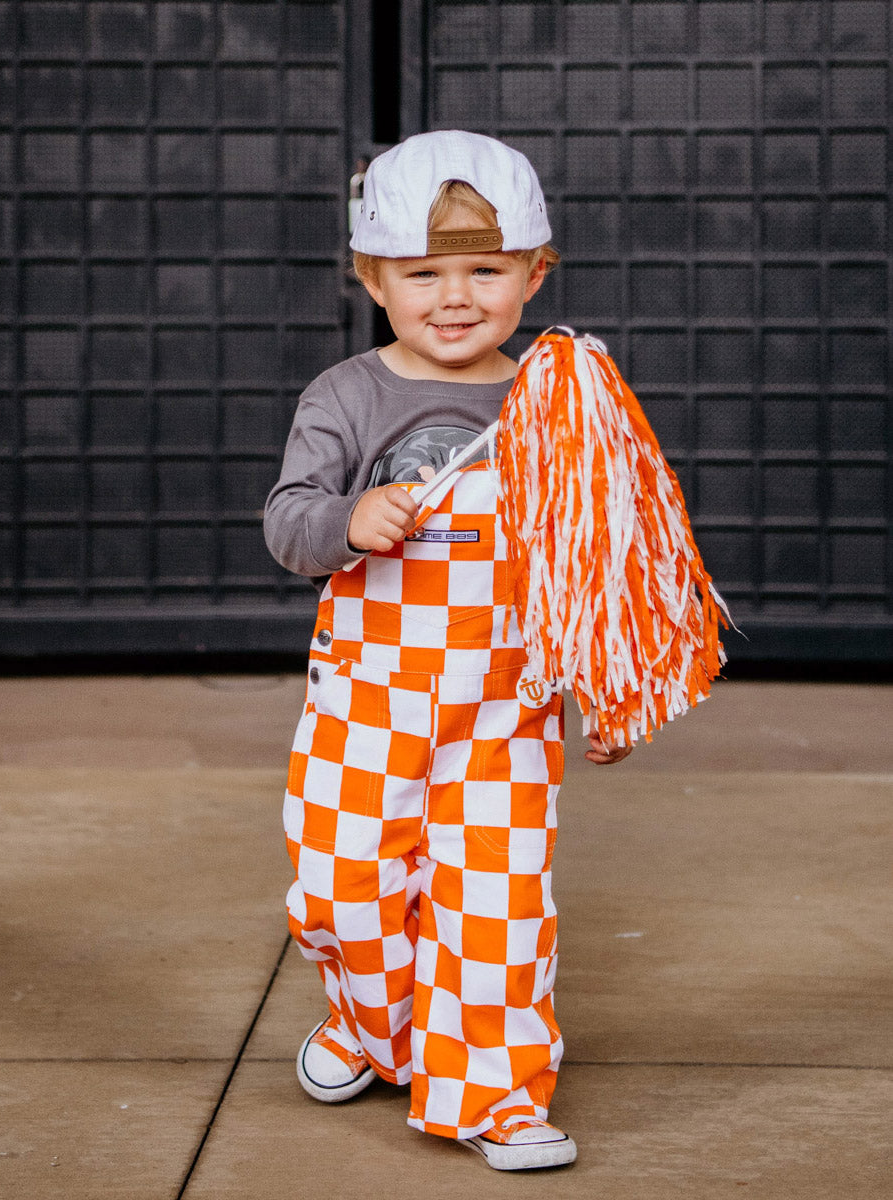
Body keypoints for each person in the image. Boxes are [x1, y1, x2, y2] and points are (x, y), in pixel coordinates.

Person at [263, 129, 631, 1172]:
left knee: (496, 904)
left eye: (488, 269)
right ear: (372, 276)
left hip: (505, 715)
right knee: (345, 891)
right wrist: (346, 520)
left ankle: (497, 1092)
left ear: (535, 275)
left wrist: (604, 690)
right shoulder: (347, 399)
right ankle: (374, 1030)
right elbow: (288, 524)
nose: (455, 296)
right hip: (368, 706)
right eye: (422, 272)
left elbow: (590, 568)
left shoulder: (554, 406)